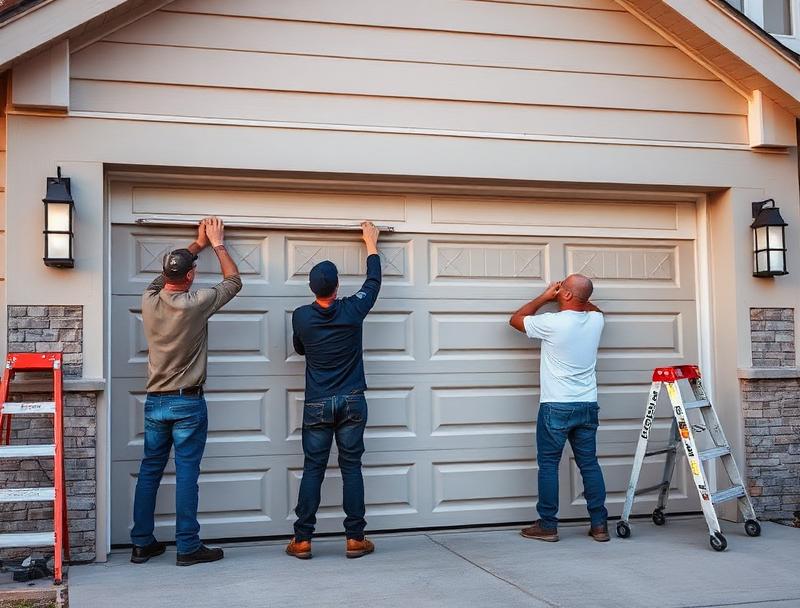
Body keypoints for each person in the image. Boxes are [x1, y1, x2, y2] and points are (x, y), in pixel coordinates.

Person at [130, 217, 242, 566]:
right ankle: (188, 546)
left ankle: (141, 543)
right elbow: (234, 281)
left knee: (150, 470)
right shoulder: (197, 303)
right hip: (187, 403)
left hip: (154, 403)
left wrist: (195, 245)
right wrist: (217, 243)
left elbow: (163, 278)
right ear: (191, 276)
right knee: (187, 473)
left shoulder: (149, 299)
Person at [286, 221, 382, 560]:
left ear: (312, 289)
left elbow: (299, 349)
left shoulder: (300, 316)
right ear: (337, 286)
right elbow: (373, 283)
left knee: (313, 468)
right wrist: (371, 244)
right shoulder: (353, 308)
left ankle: (302, 541)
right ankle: (355, 538)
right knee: (351, 467)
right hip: (353, 400)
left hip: (317, 404)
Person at [509, 274, 609, 542]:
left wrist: (544, 297)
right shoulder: (596, 320)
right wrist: (577, 298)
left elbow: (516, 319)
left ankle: (548, 525)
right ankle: (600, 525)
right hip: (587, 404)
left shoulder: (552, 323)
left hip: (556, 406)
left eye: (561, 286)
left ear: (564, 295)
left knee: (549, 465)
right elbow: (594, 307)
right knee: (589, 464)